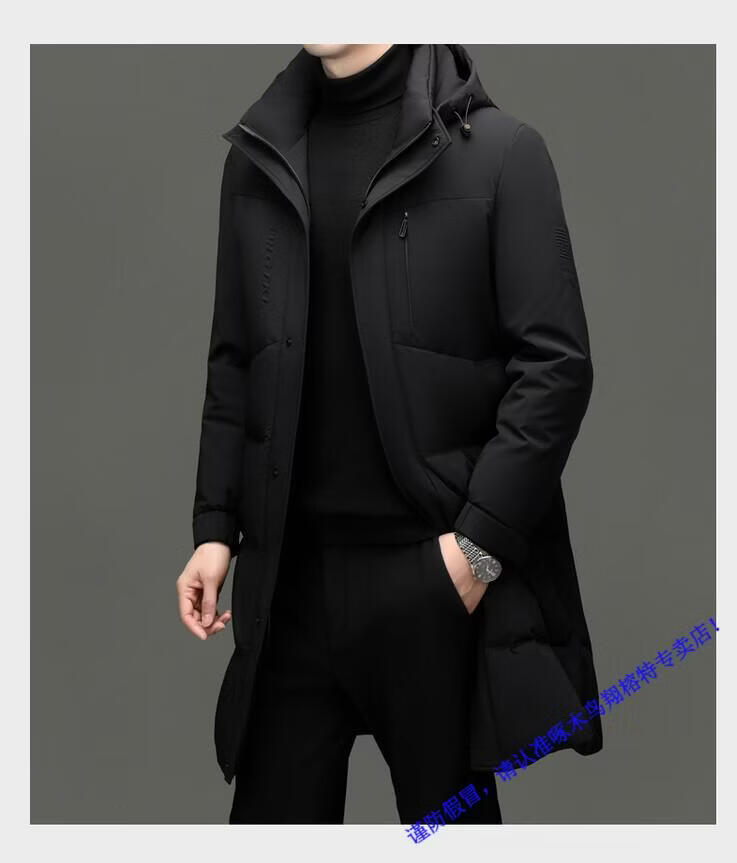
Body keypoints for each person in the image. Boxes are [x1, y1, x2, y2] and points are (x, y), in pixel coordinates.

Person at [176, 43, 603, 826]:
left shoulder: (501, 154)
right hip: (290, 586)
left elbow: (556, 369)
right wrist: (214, 527)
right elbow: (235, 361)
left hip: (429, 582)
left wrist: (475, 552)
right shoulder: (259, 159)